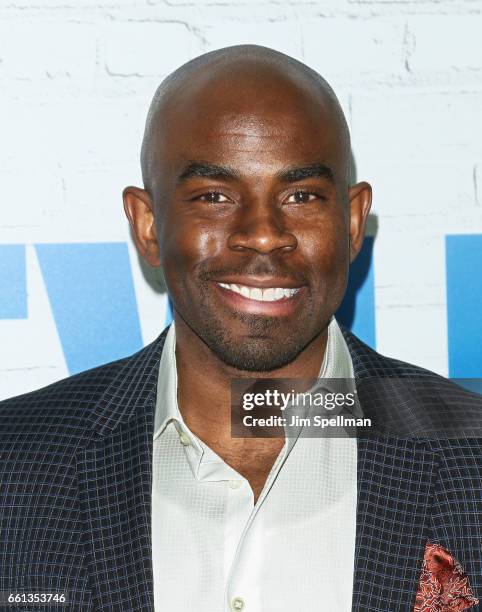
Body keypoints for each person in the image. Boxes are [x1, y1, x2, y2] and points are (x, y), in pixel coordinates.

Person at [0, 45, 480, 612]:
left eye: (300, 196)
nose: (262, 234)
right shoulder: (15, 464)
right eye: (215, 197)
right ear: (148, 225)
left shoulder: (469, 455)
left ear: (352, 222)